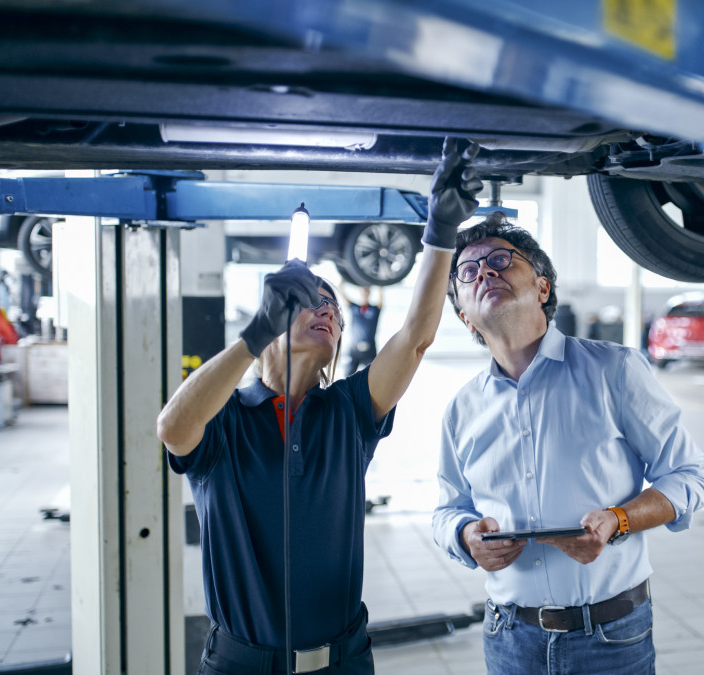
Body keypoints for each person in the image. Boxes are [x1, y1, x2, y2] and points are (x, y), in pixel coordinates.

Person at [155, 138, 482, 675]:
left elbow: (416, 338)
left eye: (332, 306)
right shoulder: (228, 419)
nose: (325, 309)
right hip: (242, 666)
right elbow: (173, 426)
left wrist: (439, 232)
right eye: (308, 301)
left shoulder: (349, 412)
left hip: (343, 663)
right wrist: (254, 333)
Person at [431, 214, 704, 674]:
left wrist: (618, 520)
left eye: (500, 260)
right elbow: (447, 510)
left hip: (609, 637)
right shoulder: (462, 408)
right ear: (465, 316)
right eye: (468, 271)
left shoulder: (614, 371)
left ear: (542, 289)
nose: (485, 272)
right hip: (508, 639)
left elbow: (691, 476)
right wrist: (465, 537)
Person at [346, 285, 383, 374]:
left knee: (373, 375)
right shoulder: (354, 307)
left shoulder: (374, 309)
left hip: (370, 350)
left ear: (370, 292)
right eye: (363, 290)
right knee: (348, 375)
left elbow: (381, 300)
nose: (365, 292)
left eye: (367, 290)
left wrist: (380, 285)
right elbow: (341, 291)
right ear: (359, 292)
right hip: (355, 349)